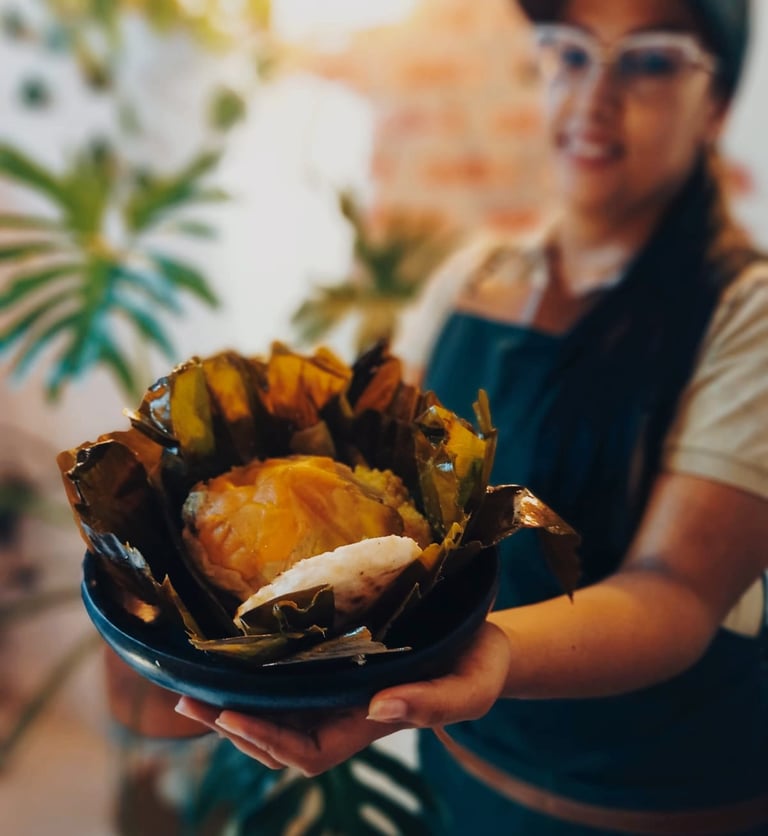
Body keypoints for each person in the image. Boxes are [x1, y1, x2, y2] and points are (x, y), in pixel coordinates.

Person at [175, 1, 768, 832]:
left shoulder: (748, 314)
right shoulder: (467, 282)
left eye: (650, 61)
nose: (592, 96)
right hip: (457, 782)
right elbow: (385, 502)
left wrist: (491, 652)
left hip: (656, 809)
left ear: (717, 104)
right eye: (567, 53)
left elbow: (676, 592)